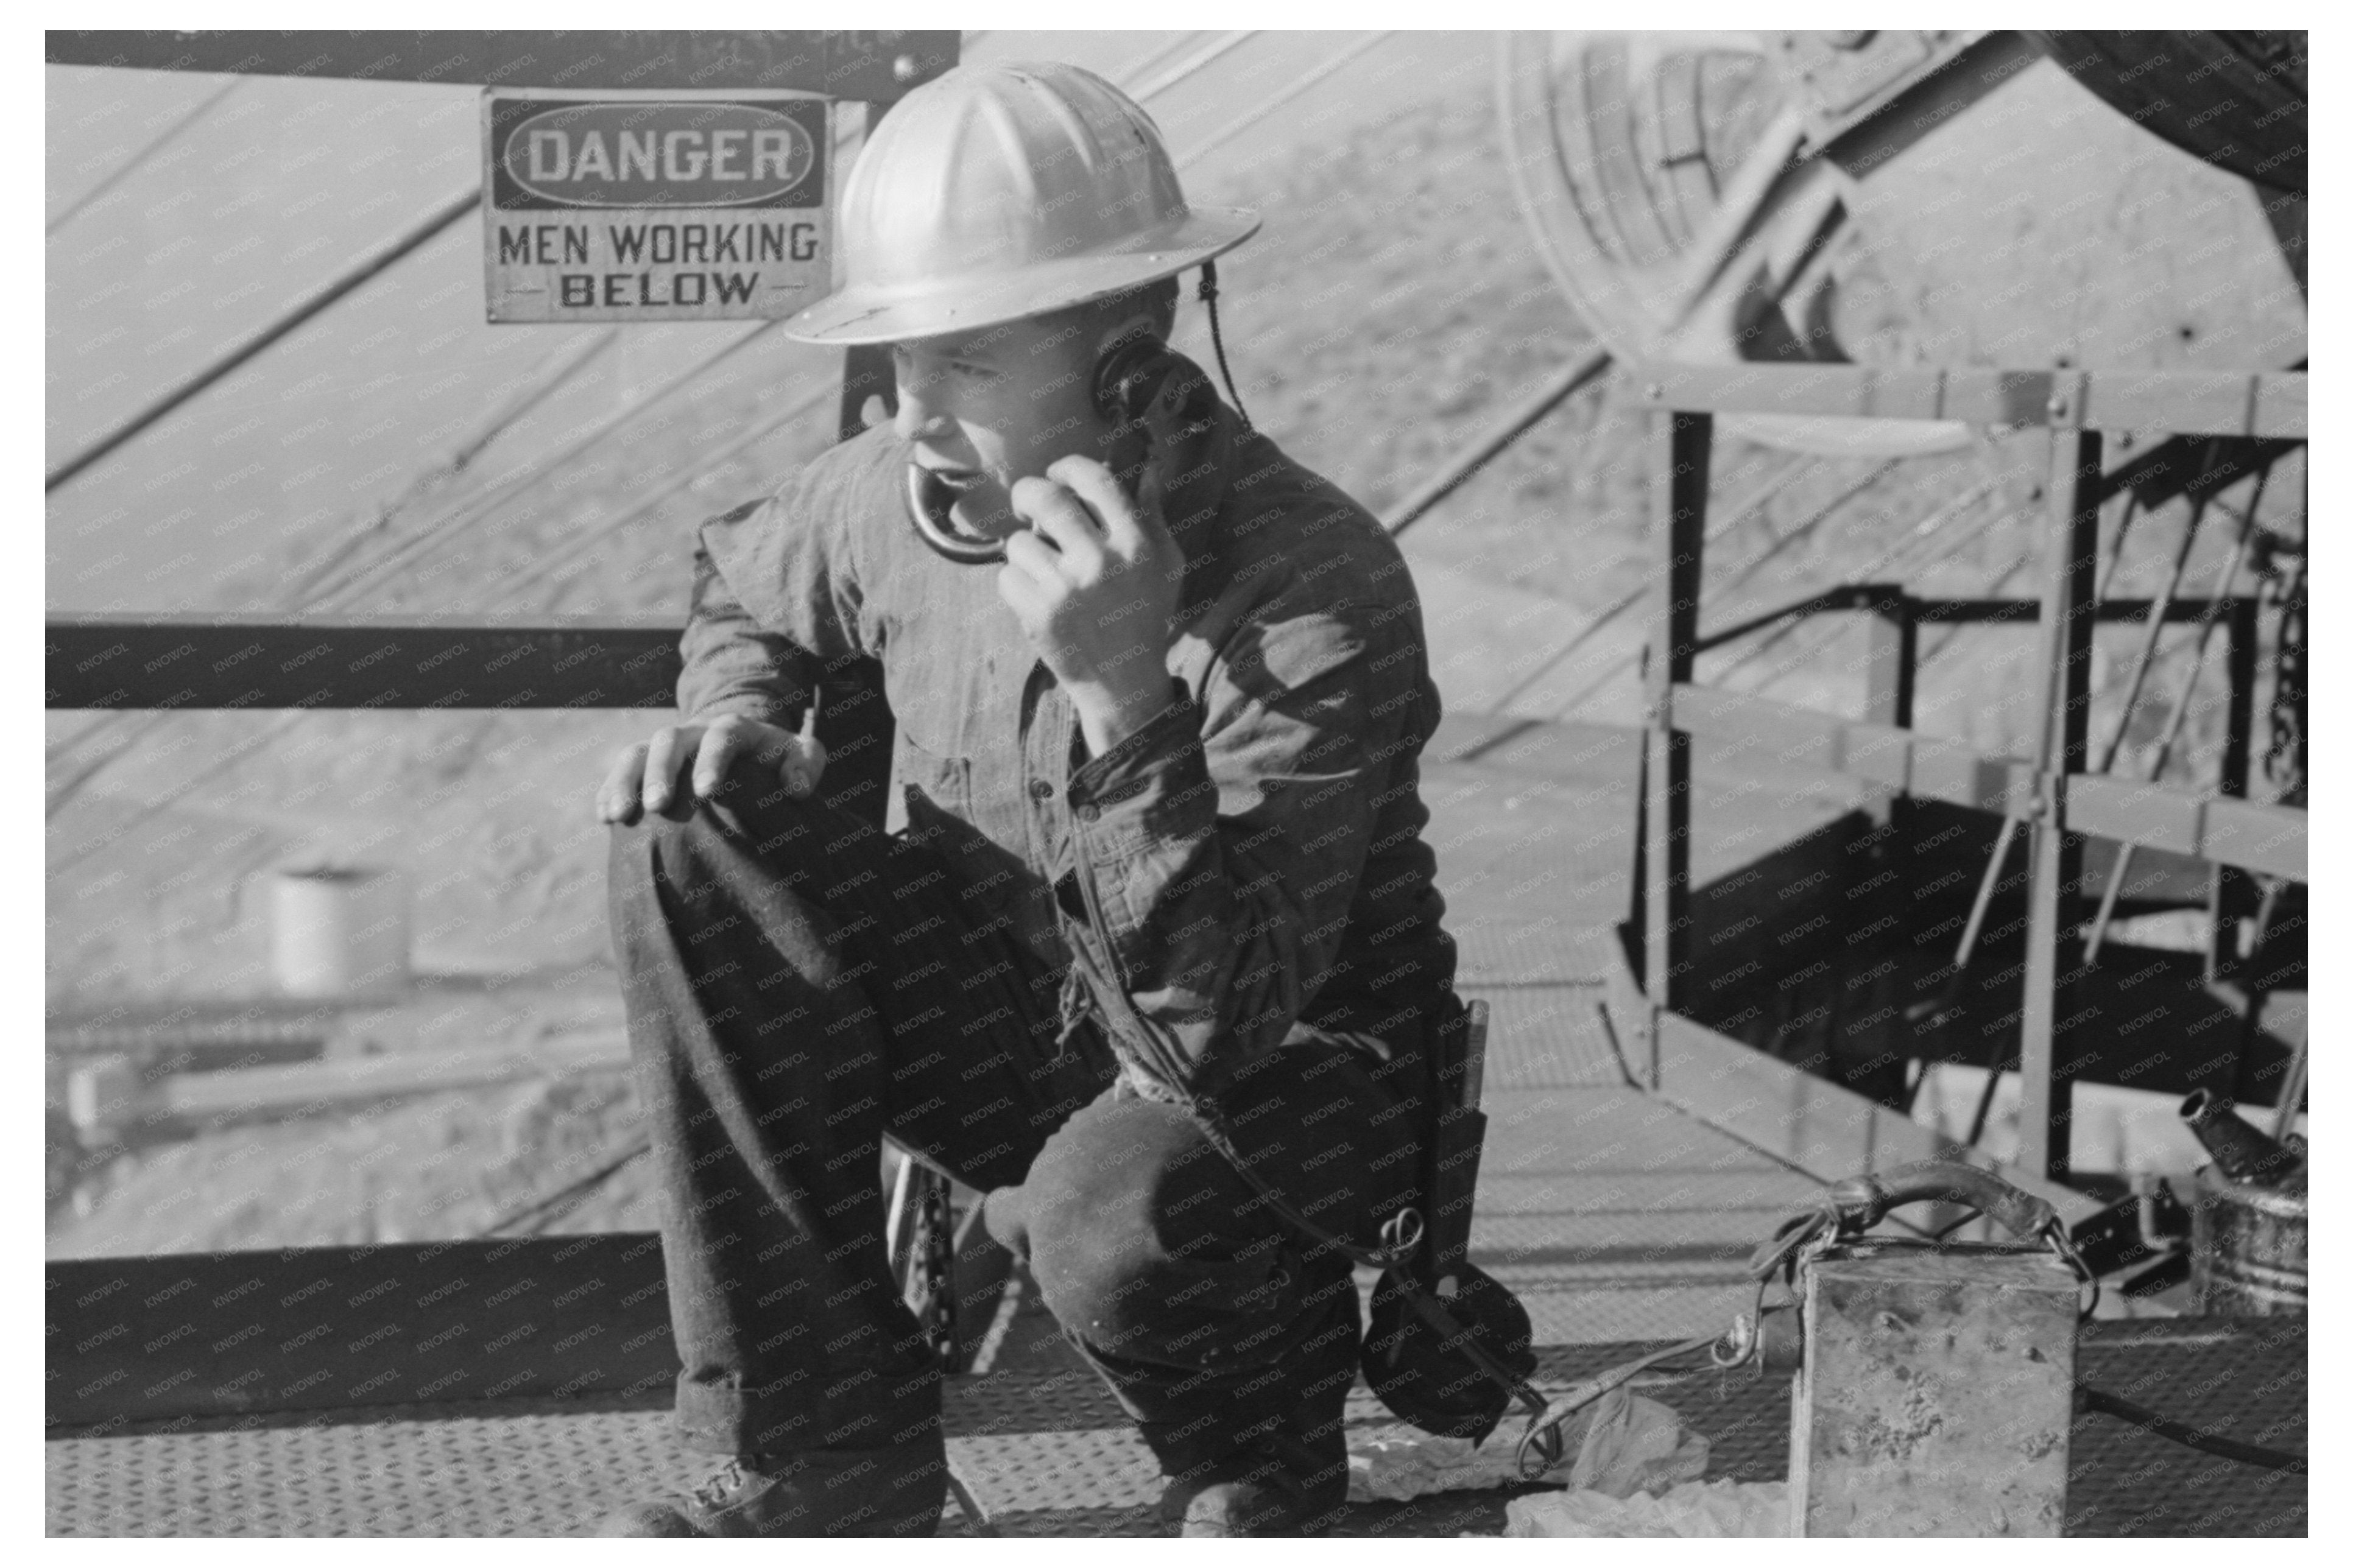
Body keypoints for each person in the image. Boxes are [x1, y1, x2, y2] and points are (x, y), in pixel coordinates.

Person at [594, 58, 1462, 1538]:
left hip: (1268, 1086)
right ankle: (825, 1459)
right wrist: (739, 714)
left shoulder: (1307, 581)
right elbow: (742, 577)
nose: (912, 408)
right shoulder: (895, 493)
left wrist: (1127, 696)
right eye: (903, 360)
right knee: (687, 834)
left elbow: (1210, 1033)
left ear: (1131, 362)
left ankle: (1254, 1446)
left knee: (1117, 1200)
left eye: (966, 365)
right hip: (1022, 1026)